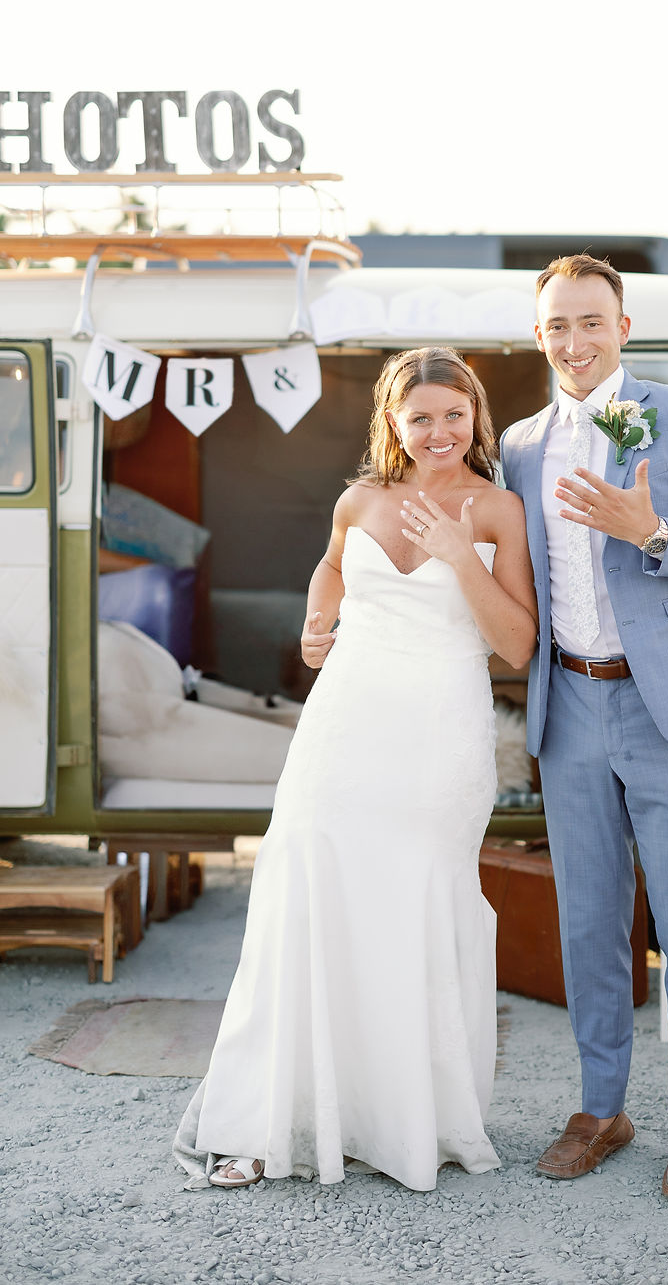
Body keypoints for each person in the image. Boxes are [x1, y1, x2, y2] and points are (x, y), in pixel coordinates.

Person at [174, 346, 537, 1193]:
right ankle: (268, 1122)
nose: (439, 431)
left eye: (455, 414)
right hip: (343, 727)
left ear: (476, 417)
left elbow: (516, 643)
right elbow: (333, 563)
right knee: (307, 890)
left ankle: (405, 1124)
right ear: (393, 423)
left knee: (411, 904)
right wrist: (315, 622)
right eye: (421, 417)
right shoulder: (360, 500)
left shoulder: (501, 510)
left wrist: (456, 551)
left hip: (439, 732)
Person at [500, 255, 668, 1201]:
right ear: (540, 335)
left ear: (623, 326)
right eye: (558, 325)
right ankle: (602, 1107)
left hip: (666, 708)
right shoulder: (521, 443)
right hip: (567, 704)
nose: (575, 341)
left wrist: (650, 531)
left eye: (592, 322)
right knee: (587, 923)